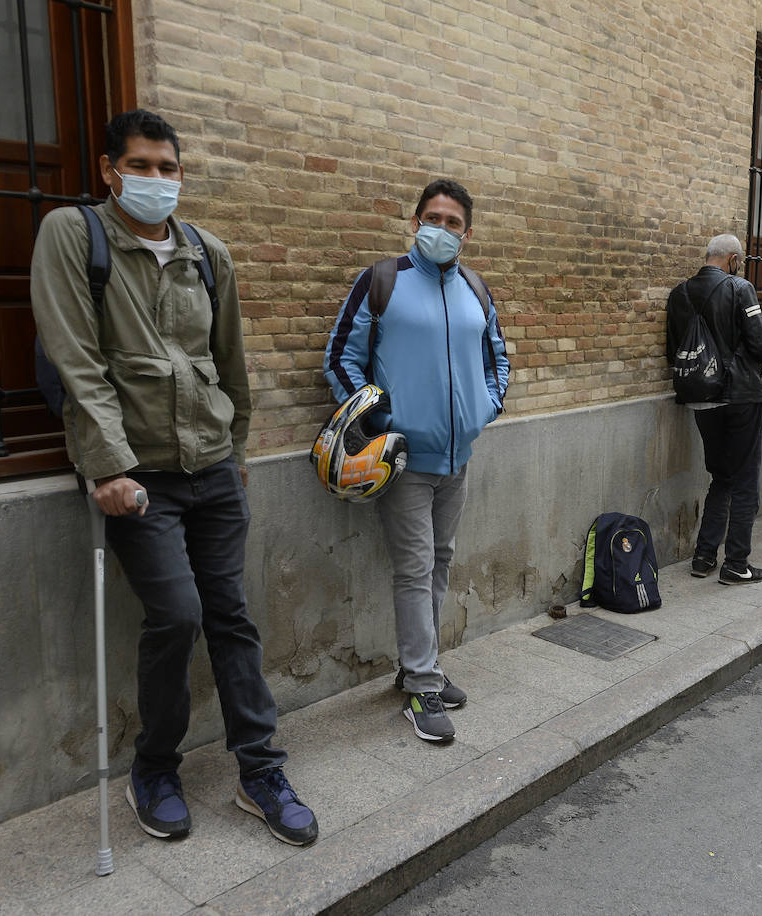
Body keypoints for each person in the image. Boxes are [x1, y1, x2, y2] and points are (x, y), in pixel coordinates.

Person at [31, 109, 318, 845]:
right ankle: (154, 768)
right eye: (141, 165)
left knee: (232, 617)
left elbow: (232, 364)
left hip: (213, 468)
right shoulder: (75, 235)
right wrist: (108, 466)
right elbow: (78, 360)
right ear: (108, 168)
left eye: (168, 167)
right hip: (139, 478)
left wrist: (240, 451)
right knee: (179, 616)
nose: (156, 179)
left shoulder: (206, 252)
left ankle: (261, 772)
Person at [324, 178, 509, 743]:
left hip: (459, 455)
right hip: (401, 461)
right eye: (433, 217)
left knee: (441, 559)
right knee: (415, 566)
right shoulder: (382, 282)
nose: (442, 229)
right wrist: (380, 425)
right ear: (415, 221)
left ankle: (417, 665)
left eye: (453, 222)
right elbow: (340, 358)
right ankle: (423, 686)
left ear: (467, 233)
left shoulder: (476, 288)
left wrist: (488, 406)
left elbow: (496, 356)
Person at [665, 234, 762, 584]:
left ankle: (704, 556)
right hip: (741, 395)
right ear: (734, 258)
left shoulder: (678, 293)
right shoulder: (740, 288)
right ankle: (736, 563)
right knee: (744, 481)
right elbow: (758, 343)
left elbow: (673, 349)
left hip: (700, 396)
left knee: (721, 477)